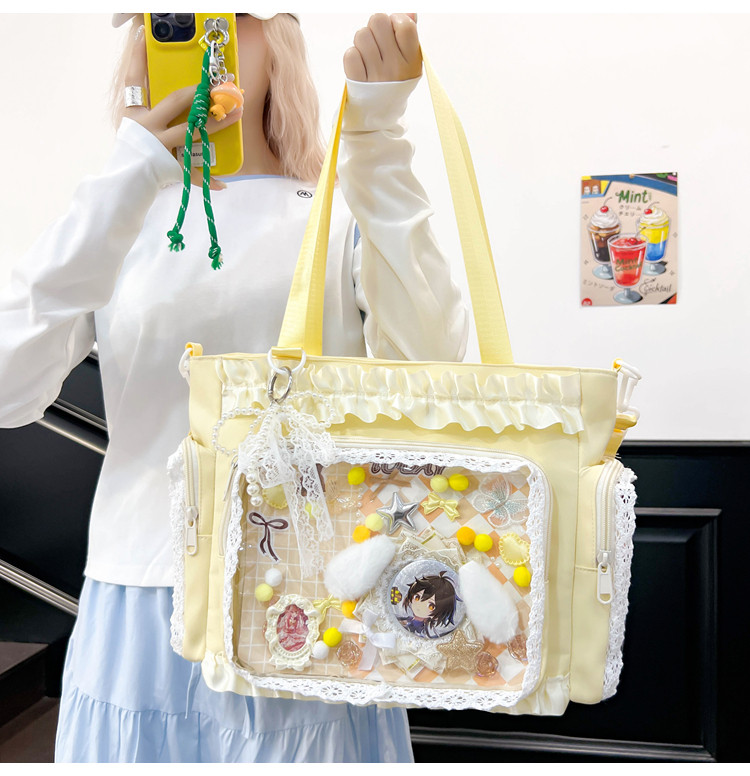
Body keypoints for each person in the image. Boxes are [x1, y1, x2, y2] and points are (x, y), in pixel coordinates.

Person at [0, 13, 468, 763]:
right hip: (139, 598)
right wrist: (130, 174)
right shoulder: (119, 217)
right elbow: (9, 386)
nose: (203, 36)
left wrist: (379, 139)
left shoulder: (337, 216)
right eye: (171, 19)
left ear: (275, 39)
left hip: (308, 601)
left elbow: (435, 373)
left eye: (227, 16)